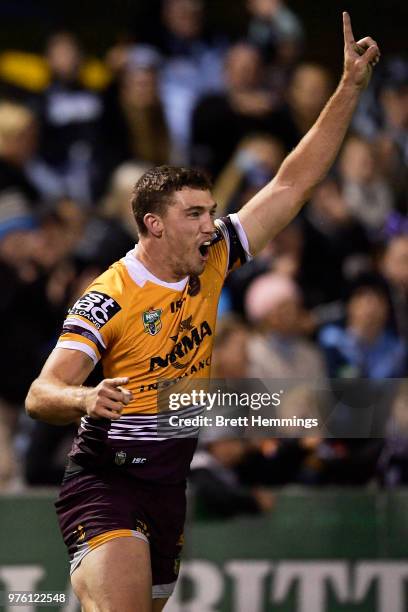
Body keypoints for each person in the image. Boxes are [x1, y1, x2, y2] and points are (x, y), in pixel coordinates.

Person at [25, 14, 380, 612]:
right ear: (154, 225)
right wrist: (85, 399)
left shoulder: (211, 256)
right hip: (106, 481)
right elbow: (41, 393)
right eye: (194, 214)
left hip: (168, 482)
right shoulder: (108, 296)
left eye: (211, 210)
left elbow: (291, 186)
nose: (211, 224)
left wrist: (347, 90)